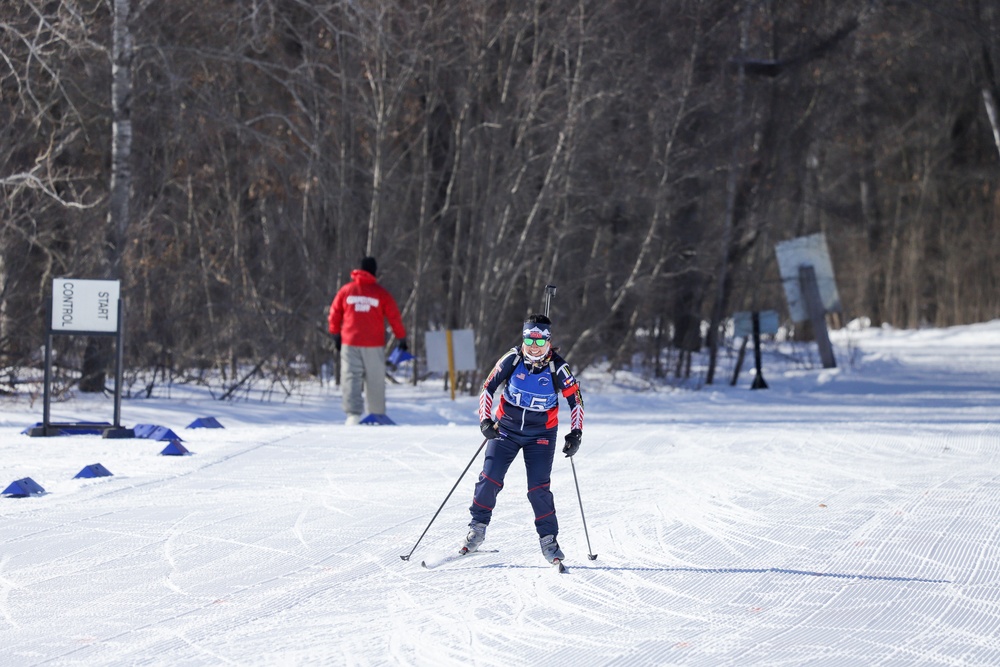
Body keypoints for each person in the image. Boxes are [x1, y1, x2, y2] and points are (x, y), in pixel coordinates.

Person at [462, 314, 584, 566]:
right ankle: (477, 527)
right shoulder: (512, 358)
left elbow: (576, 400)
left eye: (540, 341)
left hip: (541, 434)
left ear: (549, 342)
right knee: (490, 478)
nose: (534, 346)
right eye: (529, 339)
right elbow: (487, 387)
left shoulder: (558, 368)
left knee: (538, 490)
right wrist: (485, 421)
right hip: (505, 429)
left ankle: (549, 540)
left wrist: (576, 433)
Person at [328, 256, 407, 425]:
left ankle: (353, 415)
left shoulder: (346, 290)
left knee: (351, 377)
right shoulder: (381, 293)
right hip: (373, 344)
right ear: (374, 272)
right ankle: (377, 414)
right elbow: (394, 317)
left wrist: (335, 333)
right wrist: (401, 338)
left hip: (350, 342)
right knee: (375, 378)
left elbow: (334, 312)